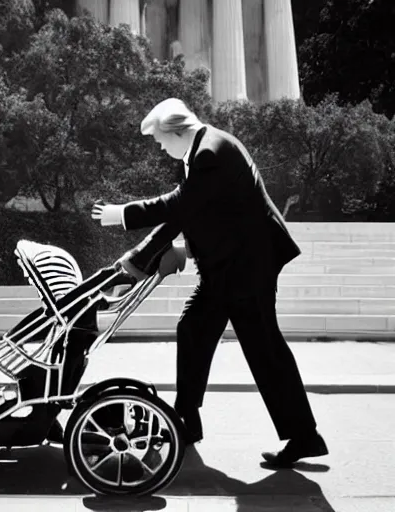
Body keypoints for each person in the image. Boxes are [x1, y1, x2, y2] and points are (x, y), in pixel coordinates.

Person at [91, 98, 329, 467]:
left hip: (246, 268)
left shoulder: (210, 152)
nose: (160, 148)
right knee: (194, 331)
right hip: (228, 267)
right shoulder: (204, 151)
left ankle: (303, 436)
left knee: (264, 350)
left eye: (159, 140)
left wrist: (122, 214)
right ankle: (186, 419)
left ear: (176, 131)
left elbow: (180, 206)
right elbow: (185, 215)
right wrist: (142, 256)